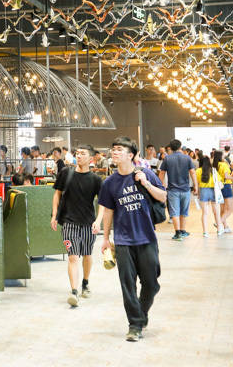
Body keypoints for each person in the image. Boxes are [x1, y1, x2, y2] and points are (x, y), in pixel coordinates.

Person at [99, 137, 166, 342]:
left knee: (151, 284)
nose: (114, 152)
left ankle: (141, 314)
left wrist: (146, 183)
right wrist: (106, 238)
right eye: (113, 149)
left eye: (119, 149)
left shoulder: (145, 174)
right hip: (123, 241)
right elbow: (108, 211)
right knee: (128, 286)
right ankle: (135, 325)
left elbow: (163, 196)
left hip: (146, 237)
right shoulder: (109, 183)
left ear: (131, 155)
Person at [51, 143, 105, 307]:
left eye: (83, 153)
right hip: (69, 223)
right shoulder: (66, 173)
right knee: (73, 256)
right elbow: (57, 194)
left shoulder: (96, 180)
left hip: (88, 223)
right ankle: (74, 291)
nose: (79, 156)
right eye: (77, 153)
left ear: (91, 158)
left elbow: (102, 203)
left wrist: (98, 221)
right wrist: (54, 215)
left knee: (87, 255)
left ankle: (85, 283)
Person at [159, 139, 197, 240]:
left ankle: (178, 233)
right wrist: (196, 186)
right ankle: (182, 230)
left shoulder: (167, 159)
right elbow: (193, 172)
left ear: (170, 148)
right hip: (185, 189)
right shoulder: (187, 158)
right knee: (184, 211)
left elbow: (162, 173)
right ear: (180, 147)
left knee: (174, 212)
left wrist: (160, 186)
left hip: (172, 190)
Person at [196, 155, 224, 237]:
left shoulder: (198, 171)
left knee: (204, 213)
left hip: (203, 191)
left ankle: (205, 232)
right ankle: (219, 230)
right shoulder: (213, 170)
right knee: (216, 213)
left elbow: (197, 183)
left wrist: (198, 193)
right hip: (213, 191)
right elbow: (220, 183)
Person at [213, 150, 233, 233]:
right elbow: (226, 176)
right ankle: (219, 223)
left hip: (218, 187)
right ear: (220, 156)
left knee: (223, 209)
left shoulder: (214, 165)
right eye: (223, 155)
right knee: (230, 209)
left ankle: (225, 227)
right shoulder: (223, 164)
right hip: (226, 186)